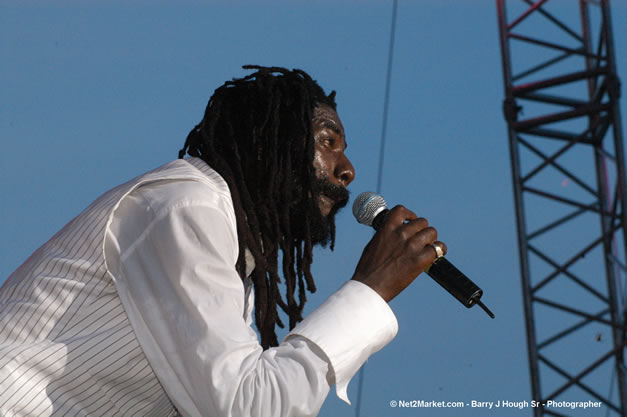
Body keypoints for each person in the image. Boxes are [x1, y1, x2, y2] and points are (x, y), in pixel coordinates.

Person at [0, 66, 445, 417]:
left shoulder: (233, 259)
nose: (347, 169)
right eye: (328, 141)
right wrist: (371, 288)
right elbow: (249, 407)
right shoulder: (185, 205)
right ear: (267, 142)